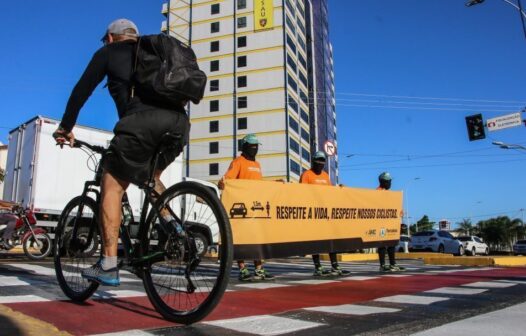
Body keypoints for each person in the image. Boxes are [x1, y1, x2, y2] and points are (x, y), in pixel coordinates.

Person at [53, 19, 190, 286]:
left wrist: (65, 127)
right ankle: (174, 227)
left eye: (105, 40)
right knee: (152, 177)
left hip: (141, 124)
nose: (104, 44)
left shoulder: (109, 52)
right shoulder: (156, 53)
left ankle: (108, 264)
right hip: (179, 125)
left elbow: (81, 91)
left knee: (112, 183)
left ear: (112, 37)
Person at [218, 134, 274, 281]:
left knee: (257, 238)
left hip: (256, 207)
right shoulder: (237, 162)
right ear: (244, 146)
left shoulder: (257, 165)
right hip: (241, 207)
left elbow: (259, 185)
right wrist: (223, 184)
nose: (254, 148)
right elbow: (227, 180)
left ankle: (259, 269)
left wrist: (274, 183)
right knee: (241, 239)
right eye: (251, 145)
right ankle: (242, 269)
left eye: (256, 146)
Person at [300, 151, 350, 276]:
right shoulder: (306, 175)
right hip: (312, 215)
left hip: (326, 215)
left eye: (322, 161)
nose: (320, 163)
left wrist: (339, 190)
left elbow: (330, 194)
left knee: (331, 241)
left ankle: (335, 266)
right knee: (315, 242)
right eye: (318, 160)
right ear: (313, 161)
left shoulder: (325, 176)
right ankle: (318, 267)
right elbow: (301, 194)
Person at [377, 172, 405, 272]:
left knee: (392, 243)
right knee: (382, 244)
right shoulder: (377, 193)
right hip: (381, 224)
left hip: (390, 223)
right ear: (383, 182)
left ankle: (392, 264)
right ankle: (382, 265)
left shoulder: (390, 194)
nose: (390, 183)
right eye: (389, 181)